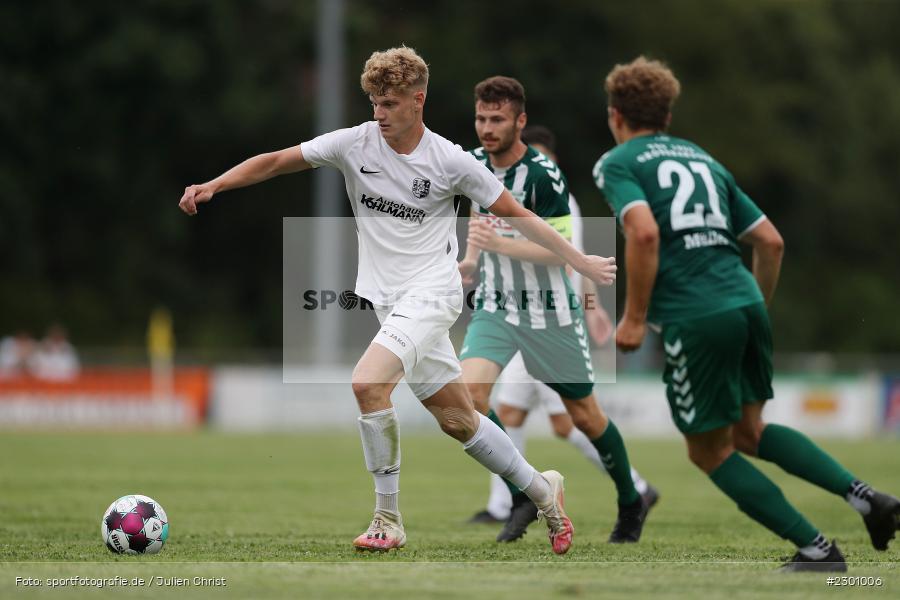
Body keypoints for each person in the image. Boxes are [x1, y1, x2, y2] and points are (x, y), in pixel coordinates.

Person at [179, 46, 618, 555]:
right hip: (388, 302)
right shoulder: (355, 143)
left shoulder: (450, 159)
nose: (379, 114)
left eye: (388, 103)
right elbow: (278, 161)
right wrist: (215, 185)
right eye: (373, 102)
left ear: (418, 100)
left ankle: (387, 519)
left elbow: (520, 214)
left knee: (368, 383)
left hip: (433, 292)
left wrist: (580, 260)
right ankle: (545, 492)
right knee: (459, 421)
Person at [594, 56, 899, 572]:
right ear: (667, 115)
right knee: (749, 432)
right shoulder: (705, 160)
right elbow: (771, 242)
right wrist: (751, 308)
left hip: (695, 315)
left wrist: (634, 317)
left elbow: (643, 232)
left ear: (615, 115)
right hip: (745, 299)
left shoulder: (619, 163)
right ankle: (867, 498)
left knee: (708, 451)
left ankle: (817, 550)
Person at [457, 77, 652, 545]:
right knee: (468, 399)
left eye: (497, 119)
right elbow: (478, 220)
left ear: (520, 122)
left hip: (551, 313)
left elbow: (562, 251)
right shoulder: (472, 164)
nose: (487, 127)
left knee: (584, 417)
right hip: (497, 308)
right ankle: (524, 493)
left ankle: (632, 499)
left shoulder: (543, 174)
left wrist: (499, 244)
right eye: (482, 118)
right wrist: (469, 260)